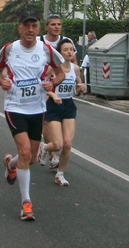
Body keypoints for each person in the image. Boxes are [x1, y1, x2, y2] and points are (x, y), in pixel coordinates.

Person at [0, 12, 65, 221]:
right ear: (20, 28)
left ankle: (11, 164)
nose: (30, 30)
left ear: (39, 30)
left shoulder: (46, 50)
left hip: (37, 109)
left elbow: (60, 72)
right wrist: (1, 81)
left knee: (30, 158)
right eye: (26, 26)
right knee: (24, 151)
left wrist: (54, 83)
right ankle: (26, 203)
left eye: (34, 26)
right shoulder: (9, 49)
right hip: (14, 107)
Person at [38, 38, 86, 186]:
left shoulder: (75, 68)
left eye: (71, 49)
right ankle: (44, 147)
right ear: (60, 53)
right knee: (57, 144)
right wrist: (53, 95)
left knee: (67, 144)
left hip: (68, 105)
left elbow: (77, 90)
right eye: (65, 49)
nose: (69, 52)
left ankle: (60, 174)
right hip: (54, 105)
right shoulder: (53, 68)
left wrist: (80, 89)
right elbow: (41, 84)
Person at [38, 14, 77, 169]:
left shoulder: (66, 42)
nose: (56, 27)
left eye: (59, 24)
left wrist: (76, 80)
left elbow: (73, 62)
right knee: (45, 124)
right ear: (46, 26)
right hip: (42, 84)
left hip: (57, 85)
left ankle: (50, 151)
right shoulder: (40, 42)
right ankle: (53, 154)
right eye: (53, 24)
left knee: (51, 124)